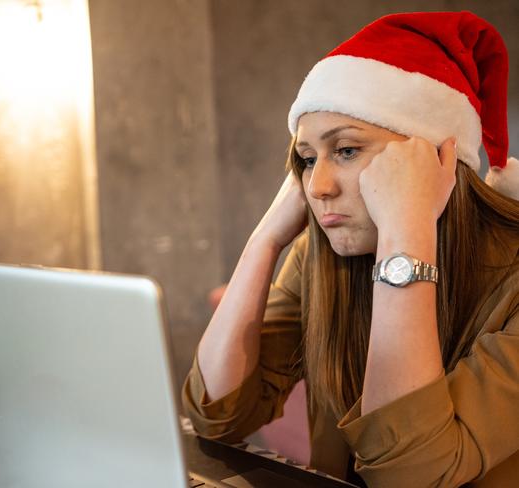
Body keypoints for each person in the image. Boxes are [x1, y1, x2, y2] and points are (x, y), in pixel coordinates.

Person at [181, 11, 519, 488]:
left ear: (437, 159)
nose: (316, 186)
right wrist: (265, 240)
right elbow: (216, 417)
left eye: (345, 151)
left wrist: (406, 229)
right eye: (305, 159)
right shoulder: (321, 260)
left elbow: (408, 473)